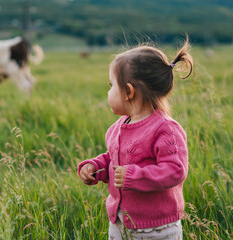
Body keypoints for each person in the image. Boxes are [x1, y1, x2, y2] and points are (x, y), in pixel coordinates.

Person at [78, 37, 193, 240]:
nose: (108, 91)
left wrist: (135, 175)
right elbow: (114, 159)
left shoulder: (166, 130)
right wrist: (95, 167)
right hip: (121, 222)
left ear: (129, 92)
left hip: (158, 228)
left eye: (111, 85)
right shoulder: (118, 127)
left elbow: (175, 170)